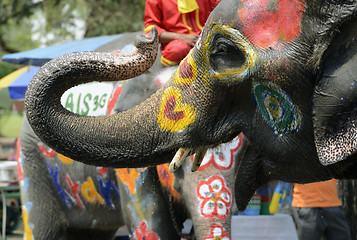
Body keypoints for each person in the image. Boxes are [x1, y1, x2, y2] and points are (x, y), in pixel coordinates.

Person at [144, 0, 221, 66]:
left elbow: (222, 11)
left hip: (208, 40)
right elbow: (151, 30)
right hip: (177, 46)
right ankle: (166, 77)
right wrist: (182, 37)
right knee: (178, 49)